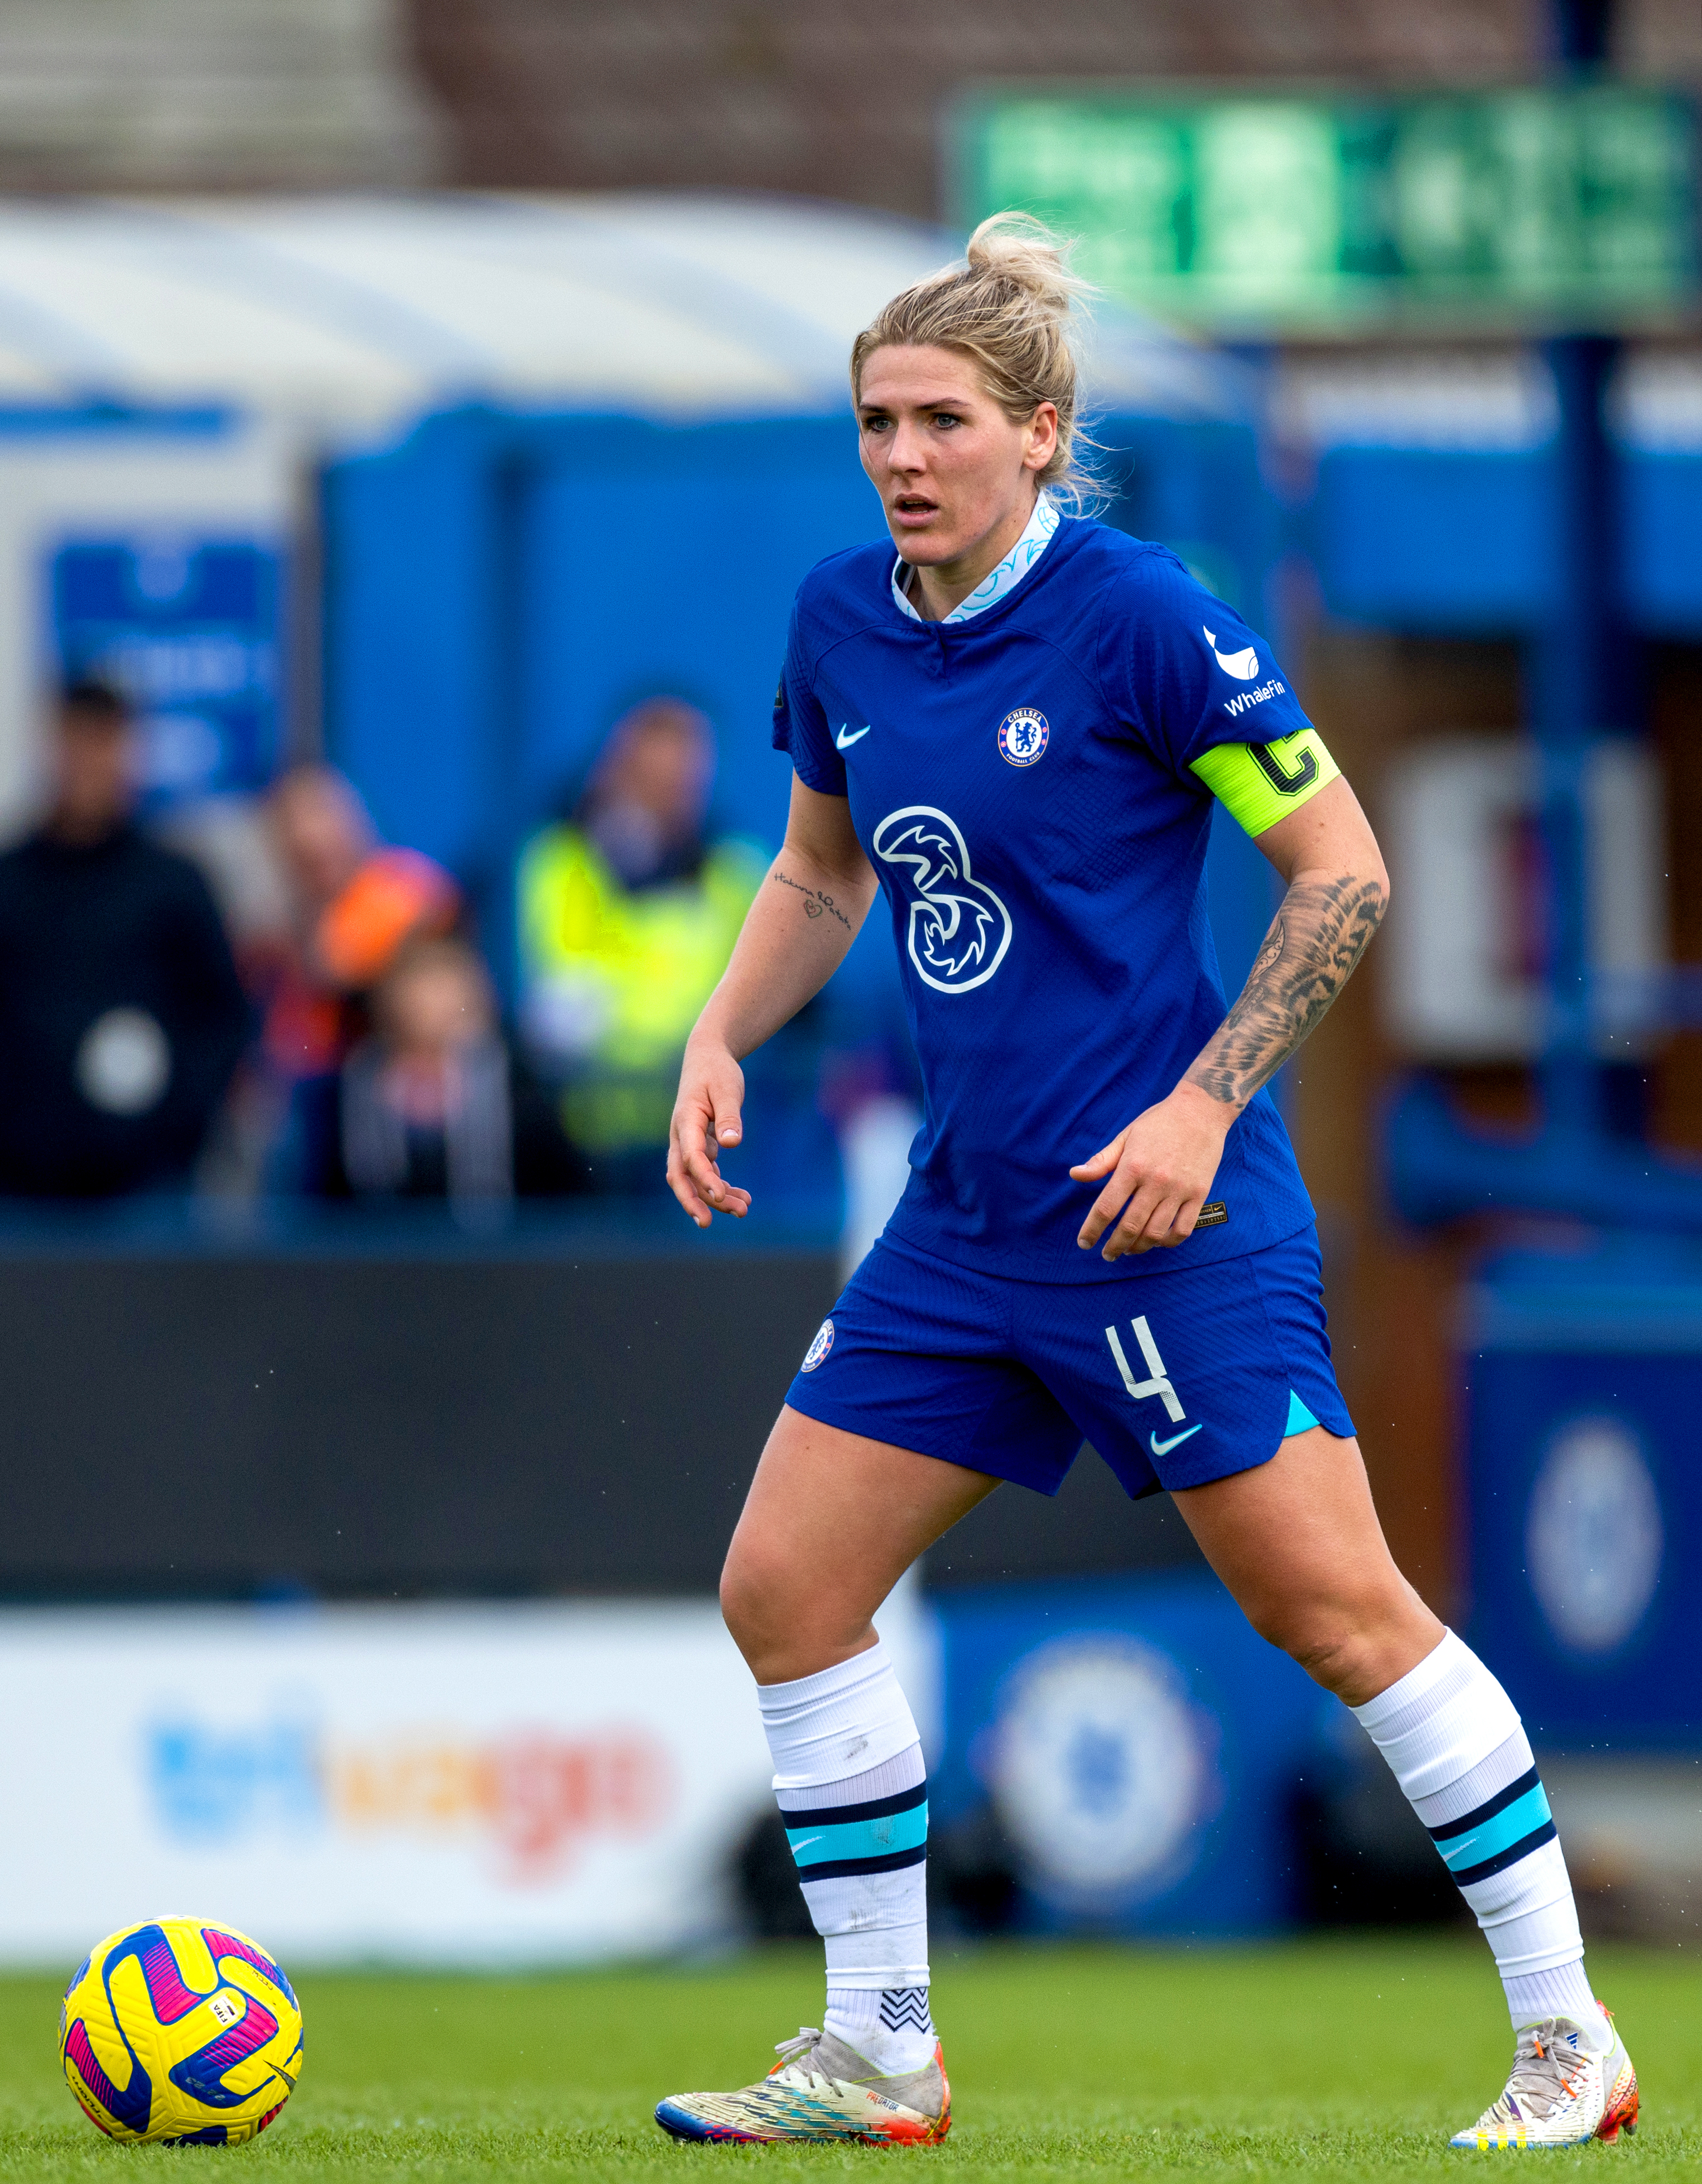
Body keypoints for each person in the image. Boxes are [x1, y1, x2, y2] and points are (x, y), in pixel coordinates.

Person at [654, 217, 1637, 2152]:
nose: (902, 454)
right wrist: (718, 1030)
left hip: (1161, 1220)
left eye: (942, 420)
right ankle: (880, 2049)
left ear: (1038, 433)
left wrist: (1198, 1108)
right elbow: (822, 872)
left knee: (1340, 1614)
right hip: (967, 1224)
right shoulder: (843, 617)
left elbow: (1344, 870)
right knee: (784, 1587)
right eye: (876, 422)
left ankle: (1568, 2035)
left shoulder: (1142, 617)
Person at [0, 678, 252, 1199]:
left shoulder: (174, 882)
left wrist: (173, 1124)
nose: (90, 764)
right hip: (20, 1186)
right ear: (54, 748)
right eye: (78, 742)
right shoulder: (11, 882)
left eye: (105, 744)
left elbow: (222, 1018)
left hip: (148, 1186)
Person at [517, 698, 766, 1192]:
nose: (667, 796)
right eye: (648, 777)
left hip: (707, 1131)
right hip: (581, 1136)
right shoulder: (558, 860)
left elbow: (745, 1002)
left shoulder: (737, 872)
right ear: (612, 770)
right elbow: (568, 998)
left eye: (682, 781)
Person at [285, 934, 580, 1207]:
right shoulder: (347, 1092)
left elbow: (563, 1200)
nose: (435, 1002)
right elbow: (319, 1203)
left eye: (447, 984)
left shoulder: (519, 1089)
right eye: (422, 983)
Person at [262, 763, 460, 1084]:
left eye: (323, 819)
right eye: (303, 856)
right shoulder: (282, 929)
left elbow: (441, 1014)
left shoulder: (405, 893)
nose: (312, 837)